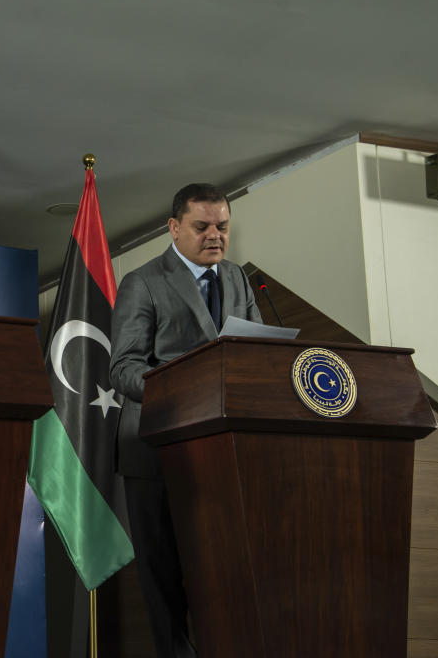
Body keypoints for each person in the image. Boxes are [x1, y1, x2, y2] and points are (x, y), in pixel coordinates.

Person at [109, 183, 262, 657]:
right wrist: (184, 388)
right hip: (157, 451)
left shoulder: (236, 278)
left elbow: (255, 353)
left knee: (218, 567)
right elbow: (123, 369)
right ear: (175, 229)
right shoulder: (143, 281)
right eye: (202, 227)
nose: (214, 235)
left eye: (222, 226)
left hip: (222, 450)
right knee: (165, 573)